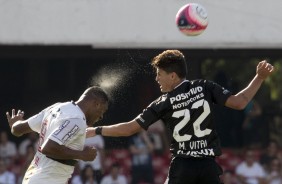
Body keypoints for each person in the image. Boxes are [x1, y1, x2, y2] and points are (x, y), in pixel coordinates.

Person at [86, 50, 275, 184]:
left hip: (183, 166)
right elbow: (240, 102)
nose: (157, 79)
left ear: (173, 76)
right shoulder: (204, 87)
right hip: (208, 166)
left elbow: (130, 128)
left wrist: (96, 130)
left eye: (159, 74)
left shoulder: (163, 102)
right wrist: (259, 77)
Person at [6, 86, 109, 184]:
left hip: (37, 178)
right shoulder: (77, 119)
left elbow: (16, 129)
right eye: (102, 111)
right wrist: (82, 154)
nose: (101, 116)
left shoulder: (56, 107)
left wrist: (15, 123)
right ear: (96, 104)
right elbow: (48, 148)